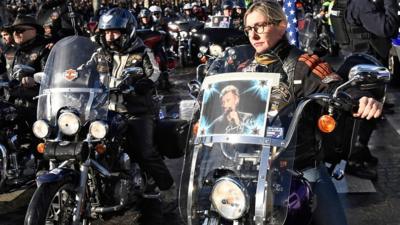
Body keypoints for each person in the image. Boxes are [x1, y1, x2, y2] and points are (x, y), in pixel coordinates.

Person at [240, 2, 383, 224]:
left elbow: (334, 86)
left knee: (334, 221)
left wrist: (359, 99)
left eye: (260, 25)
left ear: (282, 25)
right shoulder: (244, 68)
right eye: (248, 28)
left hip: (298, 166)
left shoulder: (303, 64)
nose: (253, 34)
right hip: (250, 167)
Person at [87, 8, 175, 220]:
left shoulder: (142, 52)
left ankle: (167, 189)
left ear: (127, 31)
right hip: (106, 109)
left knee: (145, 151)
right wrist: (70, 76)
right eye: (106, 32)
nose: (109, 36)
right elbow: (83, 69)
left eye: (114, 32)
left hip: (137, 110)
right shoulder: (99, 53)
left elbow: (154, 72)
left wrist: (144, 82)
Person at [330, 0, 399, 179]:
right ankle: (354, 158)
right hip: (365, 62)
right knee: (365, 114)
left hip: (355, 59)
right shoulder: (361, 4)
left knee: (362, 111)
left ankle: (361, 149)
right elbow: (386, 28)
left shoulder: (345, 2)